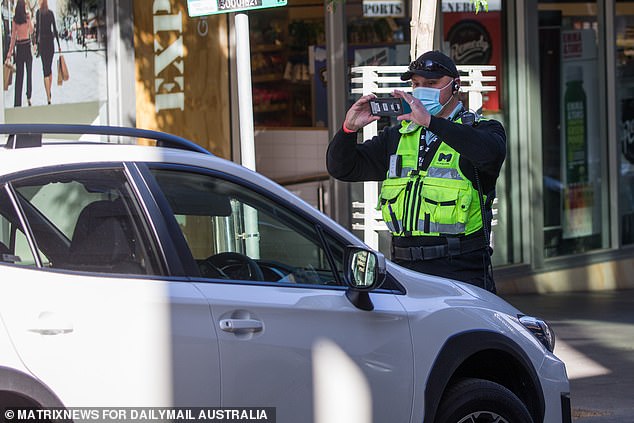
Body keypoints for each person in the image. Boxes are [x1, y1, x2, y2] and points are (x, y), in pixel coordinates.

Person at [326, 50, 506, 293]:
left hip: (460, 272)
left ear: (456, 86)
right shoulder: (397, 137)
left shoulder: (481, 130)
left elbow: (489, 154)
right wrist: (348, 129)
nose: (422, 90)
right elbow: (343, 167)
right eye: (416, 84)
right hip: (404, 271)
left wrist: (431, 122)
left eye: (431, 83)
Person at [4, 0, 33, 107]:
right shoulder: (26, 17)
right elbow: (31, 31)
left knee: (20, 77)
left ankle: (17, 102)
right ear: (23, 6)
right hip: (26, 46)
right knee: (28, 74)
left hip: (20, 48)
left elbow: (13, 38)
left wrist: (9, 53)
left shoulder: (15, 20)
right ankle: (28, 96)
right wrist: (29, 20)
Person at [35, 0, 60, 105]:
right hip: (50, 43)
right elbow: (55, 29)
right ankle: (49, 92)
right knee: (49, 69)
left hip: (43, 45)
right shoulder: (50, 13)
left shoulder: (38, 13)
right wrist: (59, 45)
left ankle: (48, 96)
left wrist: (36, 43)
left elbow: (37, 31)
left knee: (45, 70)